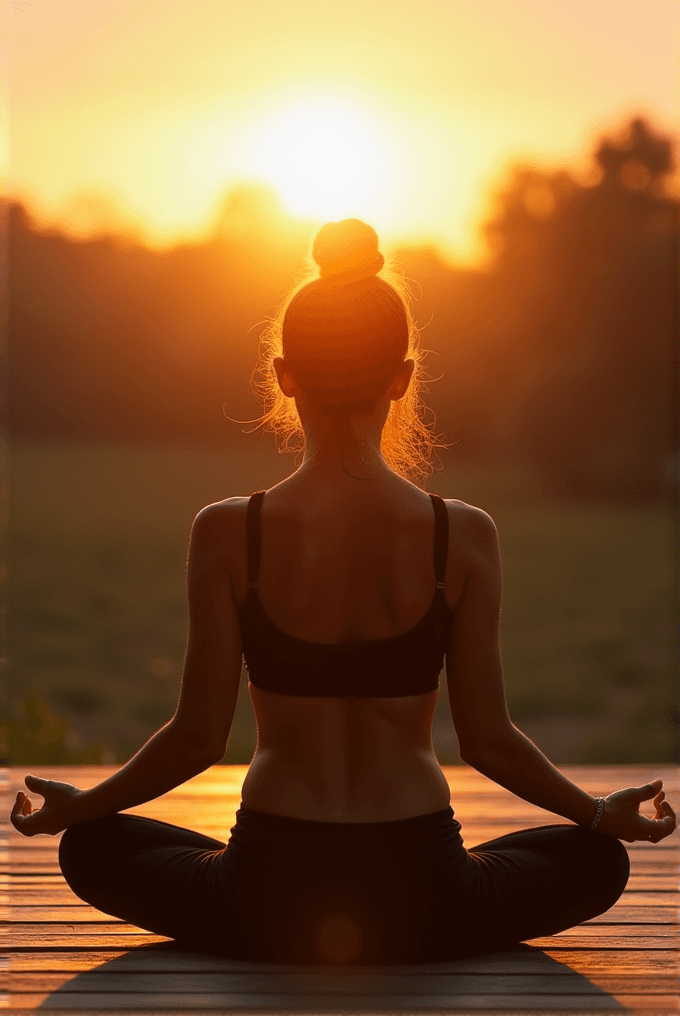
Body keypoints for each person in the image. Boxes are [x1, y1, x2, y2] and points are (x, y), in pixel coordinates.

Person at [11, 219, 676, 966]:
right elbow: (489, 741)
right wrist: (594, 812)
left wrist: (83, 807)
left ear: (285, 373)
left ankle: (272, 927)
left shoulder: (230, 531)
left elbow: (196, 737)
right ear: (403, 377)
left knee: (95, 845)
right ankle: (415, 932)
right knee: (596, 858)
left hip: (266, 891)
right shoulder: (461, 533)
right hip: (425, 891)